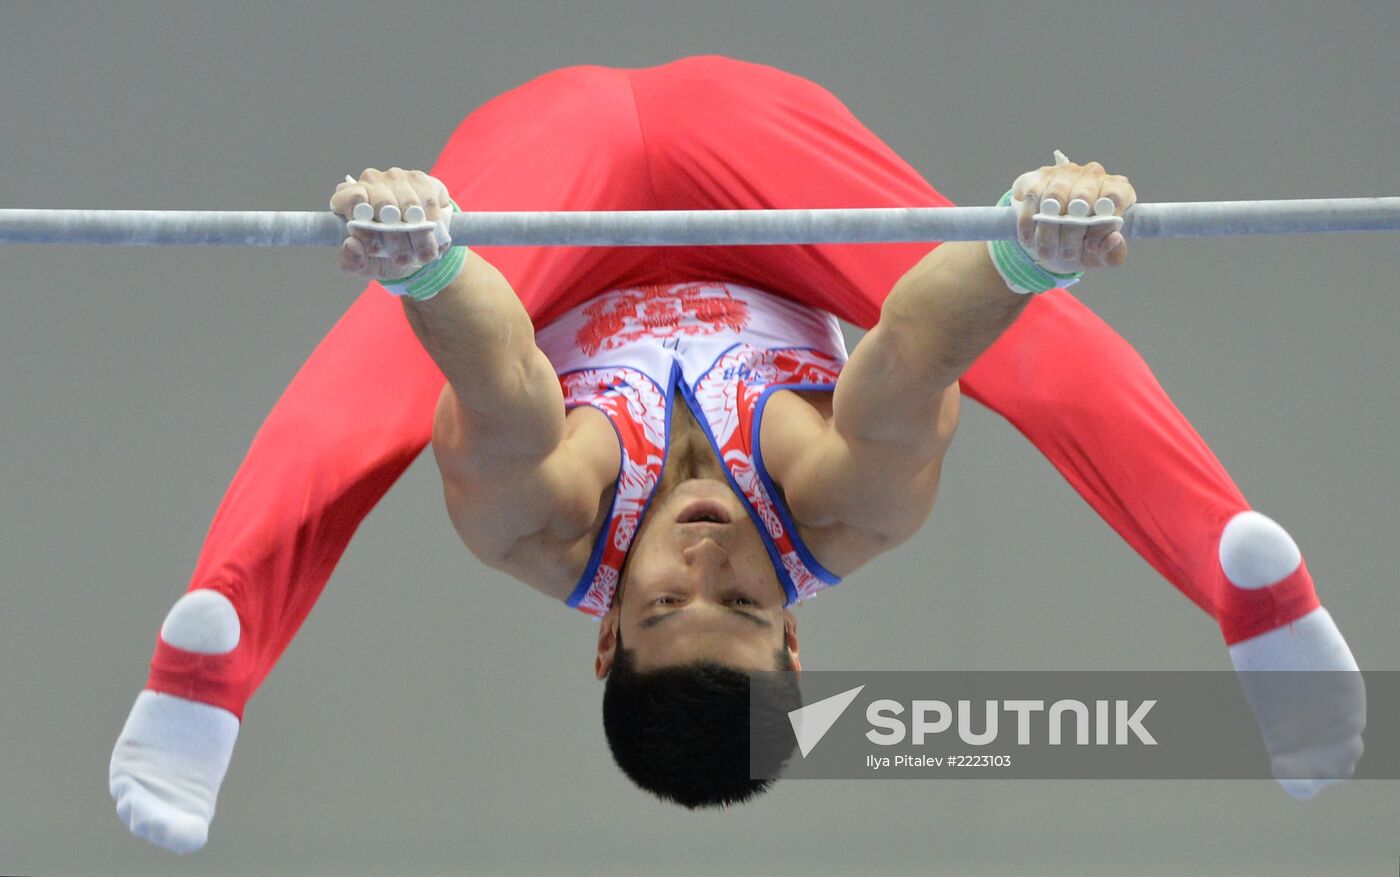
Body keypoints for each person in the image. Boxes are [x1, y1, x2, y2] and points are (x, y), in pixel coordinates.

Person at [108, 55, 1361, 855]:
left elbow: (495, 382)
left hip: (561, 192)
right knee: (1024, 321)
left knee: (382, 358)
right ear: (794, 630)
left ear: (606, 633)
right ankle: (1246, 580)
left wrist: (423, 263)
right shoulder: (843, 511)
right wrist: (1029, 242)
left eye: (665, 603)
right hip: (760, 173)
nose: (708, 561)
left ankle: (206, 656)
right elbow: (912, 347)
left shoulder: (540, 527)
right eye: (746, 602)